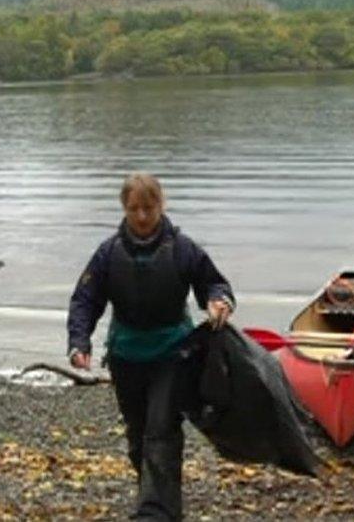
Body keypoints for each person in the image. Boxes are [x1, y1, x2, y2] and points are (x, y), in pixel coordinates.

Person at [67, 172, 234, 521]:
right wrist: (78, 342)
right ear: (124, 209)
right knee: (138, 435)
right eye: (134, 209)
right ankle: (154, 495)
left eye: (149, 207)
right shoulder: (108, 253)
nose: (142, 217)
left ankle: (157, 512)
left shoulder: (183, 249)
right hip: (126, 355)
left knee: (162, 429)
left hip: (173, 353)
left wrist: (219, 302)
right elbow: (85, 299)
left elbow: (214, 283)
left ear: (162, 205)